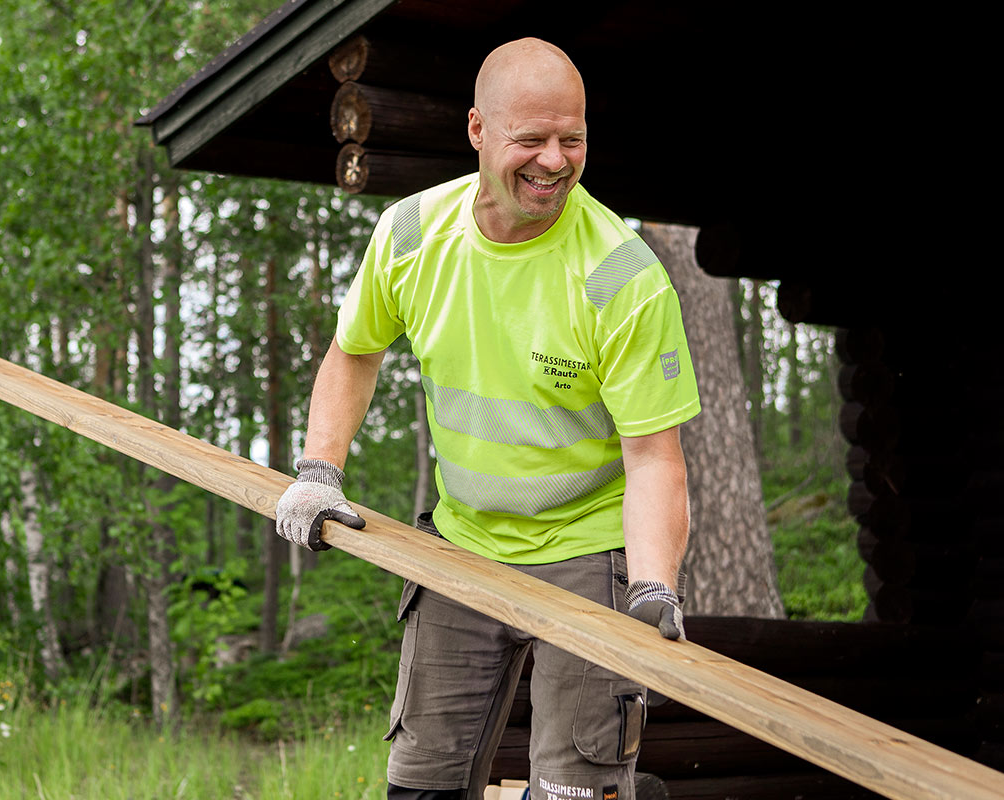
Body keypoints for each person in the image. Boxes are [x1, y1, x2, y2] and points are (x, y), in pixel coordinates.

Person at [274, 37, 700, 800]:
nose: (554, 160)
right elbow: (353, 353)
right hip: (462, 544)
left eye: (572, 139)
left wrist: (653, 587)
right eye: (529, 139)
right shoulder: (411, 236)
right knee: (421, 785)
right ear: (477, 130)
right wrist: (318, 471)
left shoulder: (622, 276)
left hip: (587, 552)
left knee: (574, 793)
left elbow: (653, 457)